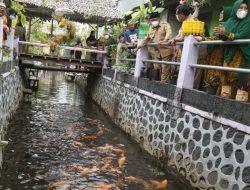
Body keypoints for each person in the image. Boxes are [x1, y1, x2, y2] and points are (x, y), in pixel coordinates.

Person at [212, 0, 250, 101]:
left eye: (245, 8)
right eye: (240, 8)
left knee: (240, 80)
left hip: (241, 55)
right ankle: (224, 101)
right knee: (226, 78)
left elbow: (242, 36)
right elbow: (224, 36)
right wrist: (219, 33)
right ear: (235, 8)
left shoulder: (248, 22)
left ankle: (240, 107)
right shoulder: (229, 21)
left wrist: (227, 33)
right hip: (228, 55)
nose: (243, 10)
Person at [195, 6, 233, 95]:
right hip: (213, 55)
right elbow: (214, 37)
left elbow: (216, 38)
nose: (220, 15)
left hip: (220, 56)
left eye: (223, 13)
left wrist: (204, 39)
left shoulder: (228, 27)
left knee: (217, 76)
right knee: (210, 77)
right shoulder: (221, 25)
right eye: (220, 13)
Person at [133, 12, 173, 82]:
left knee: (165, 69)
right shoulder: (151, 27)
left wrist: (165, 40)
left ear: (159, 18)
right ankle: (158, 83)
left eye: (155, 19)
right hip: (156, 52)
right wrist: (138, 47)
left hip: (166, 51)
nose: (153, 21)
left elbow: (169, 33)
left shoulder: (165, 25)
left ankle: (163, 86)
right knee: (157, 68)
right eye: (152, 20)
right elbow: (146, 38)